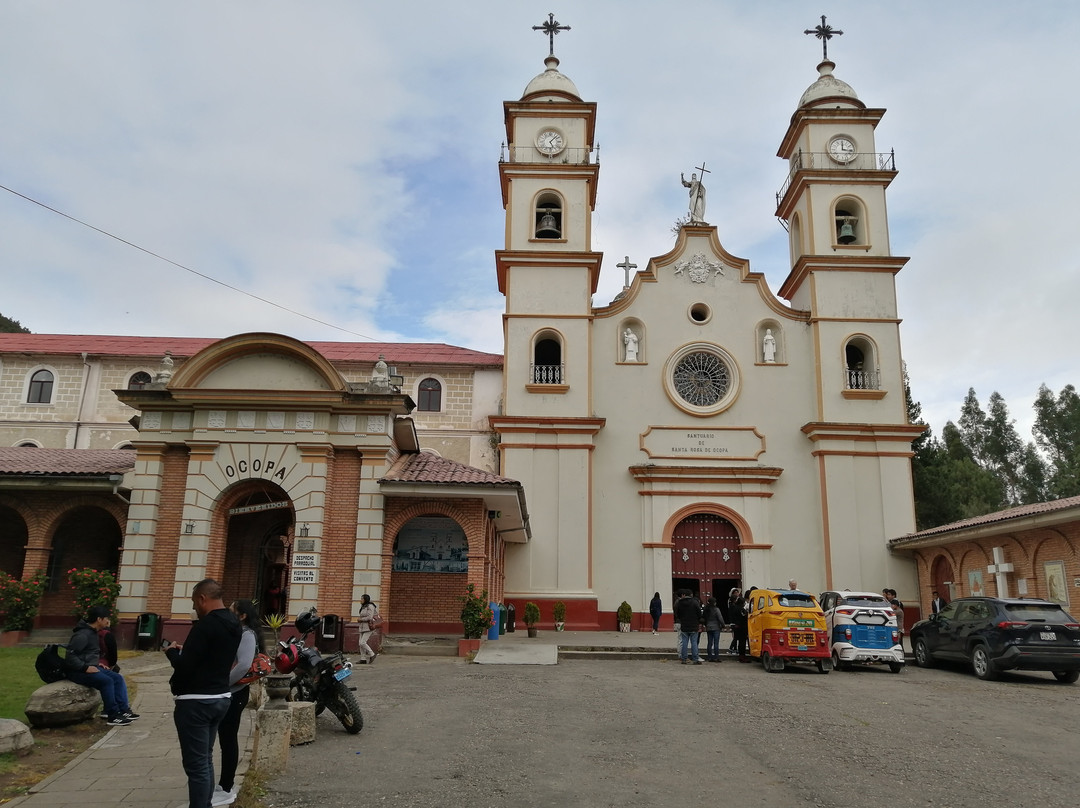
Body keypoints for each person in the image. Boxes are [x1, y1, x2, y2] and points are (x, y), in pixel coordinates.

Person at [165, 579, 242, 808]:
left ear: (202, 599)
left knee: (196, 764)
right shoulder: (234, 623)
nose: (194, 608)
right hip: (220, 696)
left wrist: (171, 654)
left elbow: (186, 666)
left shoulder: (205, 625)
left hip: (195, 701)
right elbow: (211, 655)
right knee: (205, 758)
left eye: (193, 602)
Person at [213, 599, 263, 807]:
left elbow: (243, 665)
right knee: (225, 738)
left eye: (232, 611)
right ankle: (224, 785)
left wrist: (222, 684)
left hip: (235, 693)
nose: (228, 613)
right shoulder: (238, 633)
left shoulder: (247, 635)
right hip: (231, 692)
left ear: (242, 616)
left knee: (228, 739)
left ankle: (226, 788)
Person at [63, 605, 138, 726]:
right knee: (106, 681)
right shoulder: (82, 635)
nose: (108, 621)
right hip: (78, 671)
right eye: (106, 618)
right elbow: (70, 657)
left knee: (117, 678)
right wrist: (85, 667)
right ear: (99, 619)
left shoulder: (93, 633)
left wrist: (97, 663)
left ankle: (123, 710)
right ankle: (112, 715)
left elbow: (89, 653)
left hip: (92, 667)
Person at [674, 590, 703, 665]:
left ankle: (684, 658)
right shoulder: (694, 602)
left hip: (684, 624)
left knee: (684, 642)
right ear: (691, 595)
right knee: (694, 642)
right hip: (693, 625)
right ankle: (695, 659)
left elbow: (678, 614)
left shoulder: (680, 603)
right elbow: (699, 613)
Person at [702, 597, 725, 662]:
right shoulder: (716, 609)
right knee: (716, 643)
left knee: (709, 642)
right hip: (716, 627)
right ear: (714, 602)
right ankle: (716, 657)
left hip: (708, 627)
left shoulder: (706, 609)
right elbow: (720, 618)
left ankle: (709, 657)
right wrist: (723, 625)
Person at [358, 593, 379, 664]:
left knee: (362, 642)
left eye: (362, 598)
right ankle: (363, 659)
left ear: (365, 599)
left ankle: (372, 654)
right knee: (360, 643)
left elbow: (370, 617)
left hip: (369, 627)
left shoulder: (370, 606)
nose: (361, 600)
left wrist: (361, 620)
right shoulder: (364, 606)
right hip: (362, 627)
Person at [730, 595, 750, 662]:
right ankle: (742, 656)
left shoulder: (734, 608)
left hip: (736, 627)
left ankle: (740, 655)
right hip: (742, 627)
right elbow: (744, 617)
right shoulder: (741, 609)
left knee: (738, 642)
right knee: (742, 642)